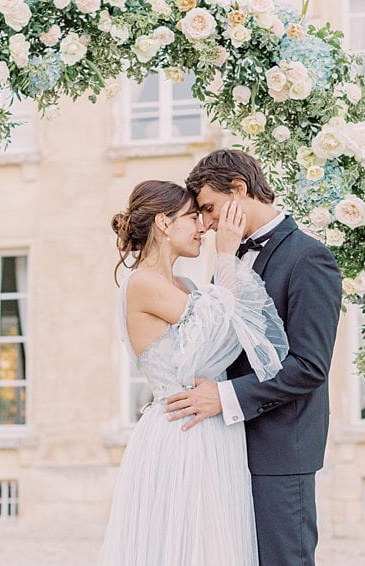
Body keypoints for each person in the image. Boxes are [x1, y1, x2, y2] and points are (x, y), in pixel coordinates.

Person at [165, 149, 342, 566]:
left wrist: (224, 397)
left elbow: (310, 366)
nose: (206, 224)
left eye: (208, 208)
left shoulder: (309, 258)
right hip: (225, 447)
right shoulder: (227, 258)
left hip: (281, 450)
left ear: (239, 190)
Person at [98, 179, 289, 566]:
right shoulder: (142, 284)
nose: (203, 227)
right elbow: (221, 324)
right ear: (164, 224)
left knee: (216, 545)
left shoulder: (183, 284)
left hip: (212, 426)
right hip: (180, 430)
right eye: (192, 217)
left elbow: (225, 326)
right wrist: (226, 254)